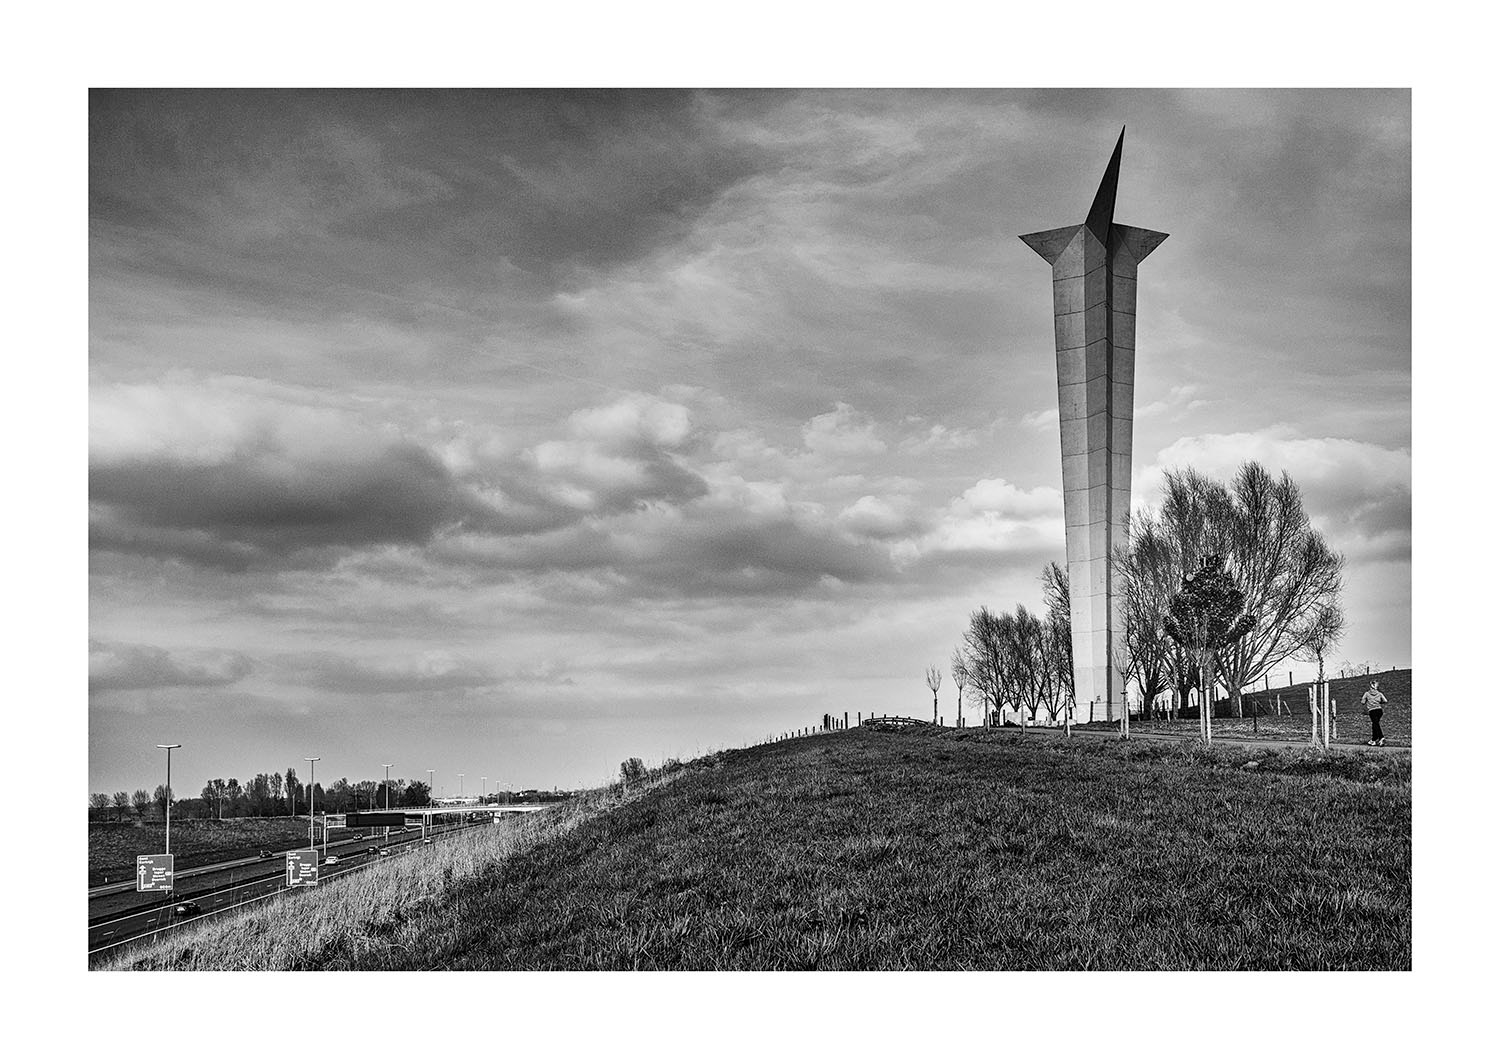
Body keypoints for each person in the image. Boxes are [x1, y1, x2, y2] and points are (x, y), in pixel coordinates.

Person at [1360, 680, 1389, 746]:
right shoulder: (1379, 693)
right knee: (1375, 724)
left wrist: (1366, 700)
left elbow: (1362, 702)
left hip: (1372, 711)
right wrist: (1379, 702)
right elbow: (1385, 701)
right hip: (1379, 710)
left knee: (1375, 724)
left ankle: (1381, 737)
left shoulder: (1367, 693)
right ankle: (1374, 740)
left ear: (1370, 686)